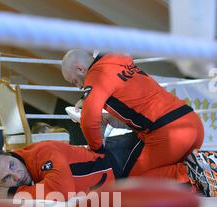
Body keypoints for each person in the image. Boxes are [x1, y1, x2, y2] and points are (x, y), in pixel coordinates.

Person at [61, 49, 209, 188]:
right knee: (158, 179)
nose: (79, 87)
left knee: (134, 185)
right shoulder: (117, 63)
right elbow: (142, 112)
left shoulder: (97, 75)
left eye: (75, 81)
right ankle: (199, 172)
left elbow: (89, 122)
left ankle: (196, 175)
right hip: (191, 123)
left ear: (80, 69)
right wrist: (108, 118)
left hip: (169, 134)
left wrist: (98, 151)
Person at [0, 138, 154, 200]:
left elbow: (60, 193)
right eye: (6, 179)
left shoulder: (43, 153)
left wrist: (13, 193)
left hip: (121, 160)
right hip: (117, 177)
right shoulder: (25, 167)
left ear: (12, 154)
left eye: (12, 165)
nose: (16, 176)